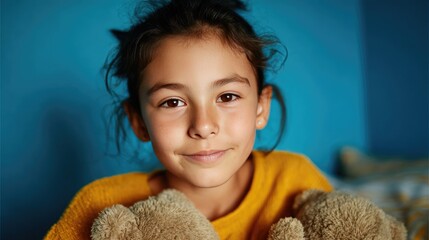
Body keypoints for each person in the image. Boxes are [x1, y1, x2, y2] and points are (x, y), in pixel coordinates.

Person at [45, 0, 332, 239]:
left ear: (261, 107)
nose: (203, 126)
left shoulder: (295, 180)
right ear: (139, 121)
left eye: (227, 97)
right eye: (173, 102)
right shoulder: (101, 206)